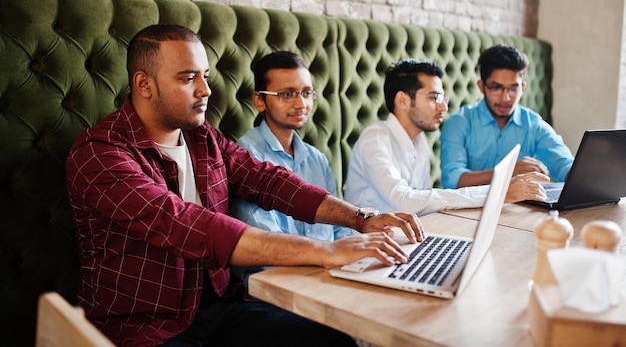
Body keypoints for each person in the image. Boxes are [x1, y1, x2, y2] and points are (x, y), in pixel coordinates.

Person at [65, 24, 424, 347]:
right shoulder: (100, 153)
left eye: (205, 75)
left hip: (219, 308)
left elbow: (268, 180)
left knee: (333, 341)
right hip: (143, 327)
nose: (206, 90)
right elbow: (187, 225)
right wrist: (328, 251)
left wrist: (360, 218)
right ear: (144, 84)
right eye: (188, 78)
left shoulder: (201, 136)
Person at [344, 58, 548, 216]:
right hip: (361, 247)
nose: (444, 106)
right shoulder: (375, 139)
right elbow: (404, 200)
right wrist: (496, 194)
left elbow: (422, 206)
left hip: (400, 242)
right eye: (434, 98)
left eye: (443, 98)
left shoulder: (419, 143)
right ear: (403, 100)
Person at [231, 51, 352, 286]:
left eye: (306, 93)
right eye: (287, 94)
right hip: (274, 284)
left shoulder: (317, 159)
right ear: (259, 100)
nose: (301, 104)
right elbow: (266, 246)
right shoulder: (247, 156)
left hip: (329, 274)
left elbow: (341, 230)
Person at [440, 44, 574, 189]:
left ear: (522, 87)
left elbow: (564, 164)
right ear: (481, 86)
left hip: (518, 208)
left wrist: (582, 176)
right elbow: (452, 179)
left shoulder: (533, 124)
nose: (506, 98)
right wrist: (507, 172)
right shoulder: (459, 122)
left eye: (513, 88)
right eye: (496, 88)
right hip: (467, 209)